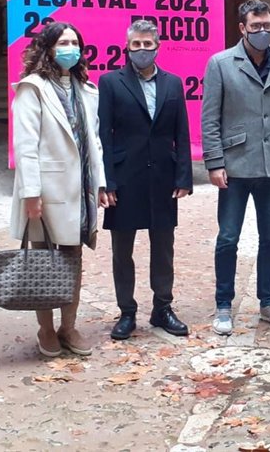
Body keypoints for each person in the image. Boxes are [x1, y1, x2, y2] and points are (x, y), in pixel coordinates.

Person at [201, 0, 270, 334]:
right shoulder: (221, 64)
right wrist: (215, 162)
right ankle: (223, 305)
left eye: (267, 26)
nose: (262, 31)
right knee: (228, 237)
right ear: (242, 28)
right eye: (256, 26)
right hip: (235, 166)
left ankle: (268, 302)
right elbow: (210, 118)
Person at [10, 21, 109, 358]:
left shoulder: (87, 89)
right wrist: (31, 194)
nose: (70, 48)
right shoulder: (32, 88)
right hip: (46, 189)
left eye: (75, 43)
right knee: (43, 258)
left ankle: (69, 326)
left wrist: (99, 182)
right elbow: (26, 146)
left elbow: (94, 141)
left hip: (79, 189)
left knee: (72, 257)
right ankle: (46, 328)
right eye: (63, 43)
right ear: (48, 49)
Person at [99, 20, 193, 339]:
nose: (142, 50)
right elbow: (104, 135)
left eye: (147, 44)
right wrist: (107, 182)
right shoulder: (110, 82)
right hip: (125, 177)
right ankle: (127, 311)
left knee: (163, 248)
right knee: (122, 250)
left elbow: (182, 132)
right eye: (136, 45)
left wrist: (184, 176)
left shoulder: (173, 83)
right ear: (127, 47)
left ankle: (162, 308)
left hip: (163, 177)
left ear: (158, 46)